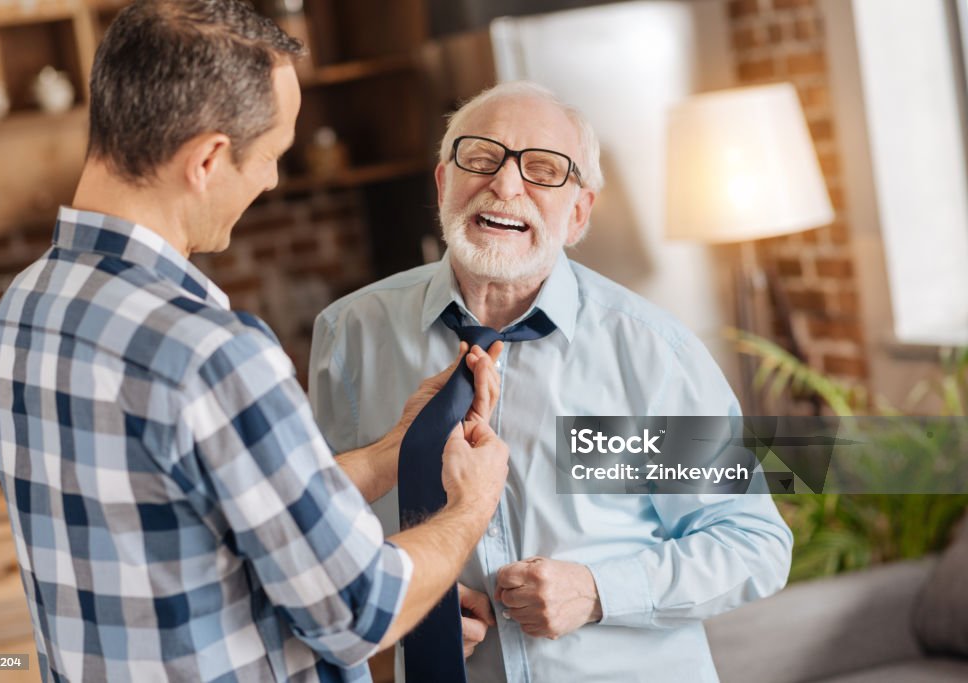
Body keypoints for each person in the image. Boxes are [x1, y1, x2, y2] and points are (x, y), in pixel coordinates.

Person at [0, 2, 509, 681]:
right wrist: (472, 505)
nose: (273, 179)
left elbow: (210, 511)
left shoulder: (22, 310)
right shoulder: (210, 352)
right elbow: (359, 609)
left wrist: (385, 455)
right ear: (207, 159)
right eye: (272, 154)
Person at [309, 81, 795, 682]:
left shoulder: (647, 353)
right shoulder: (349, 334)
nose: (506, 185)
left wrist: (597, 591)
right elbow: (323, 527)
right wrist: (405, 603)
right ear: (443, 185)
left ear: (579, 213)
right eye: (481, 158)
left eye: (542, 170)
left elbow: (749, 542)